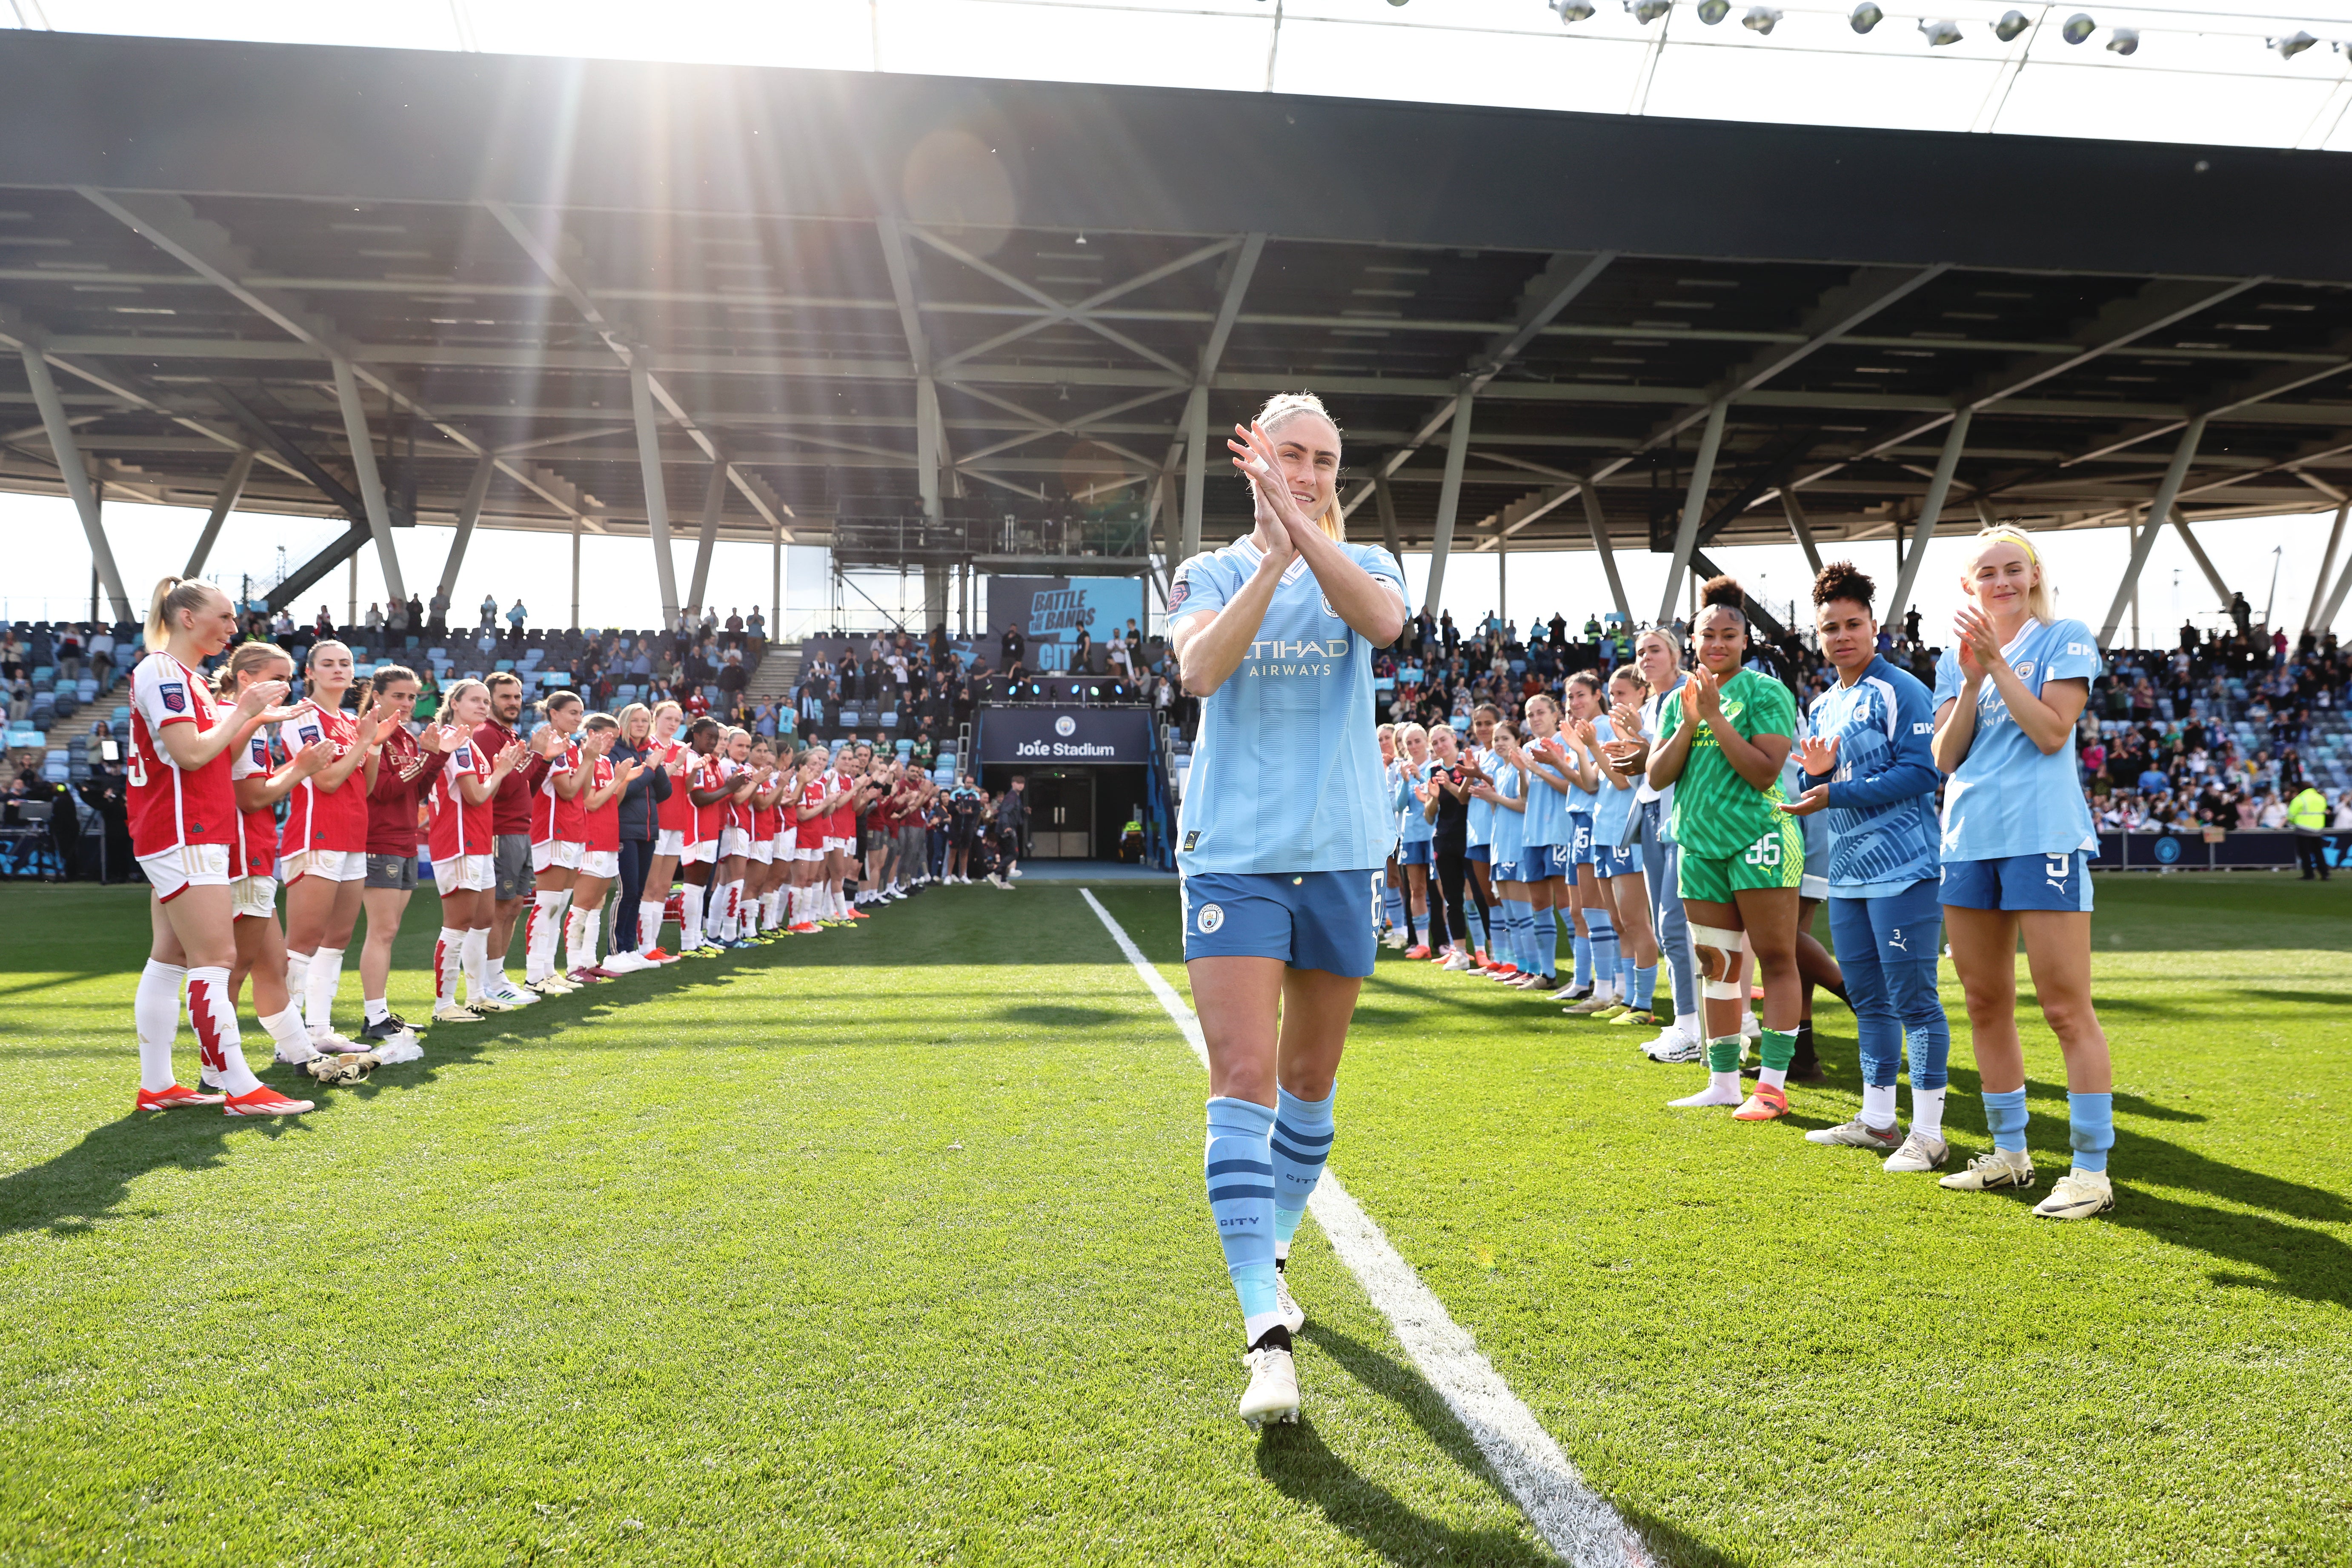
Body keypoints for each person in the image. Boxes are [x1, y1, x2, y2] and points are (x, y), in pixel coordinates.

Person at [1167, 392, 1406, 1427]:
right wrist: (1269, 555)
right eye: (1289, 454)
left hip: (1341, 851)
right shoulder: (1209, 571)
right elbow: (1200, 668)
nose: (1305, 469)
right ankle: (1264, 1332)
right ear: (1255, 455)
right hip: (1235, 857)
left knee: (1310, 1081)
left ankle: (1270, 1251)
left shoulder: (1370, 566)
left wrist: (1303, 535)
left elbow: (1384, 624)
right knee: (1245, 1076)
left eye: (1322, 459)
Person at [1931, 528, 2119, 1220]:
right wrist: (1973, 673)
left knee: (2066, 1007)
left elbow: (2050, 731)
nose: (2002, 580)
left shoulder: (2063, 634)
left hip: (2042, 837)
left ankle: (2091, 1170)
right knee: (1985, 1003)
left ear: (2033, 573)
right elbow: (1947, 757)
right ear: (1968, 585)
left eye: (2014, 568)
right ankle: (2009, 1154)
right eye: (1989, 571)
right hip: (1967, 841)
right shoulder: (1953, 663)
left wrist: (1998, 668)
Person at [1781, 563, 1950, 1170]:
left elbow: (1921, 772)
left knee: (1914, 999)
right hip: (1848, 875)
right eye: (1830, 628)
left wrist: (1834, 792)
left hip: (1904, 872)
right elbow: (1819, 778)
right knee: (1870, 1000)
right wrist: (1817, 780)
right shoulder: (1824, 704)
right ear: (1817, 636)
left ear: (1874, 627)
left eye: (1853, 624)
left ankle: (1929, 1133)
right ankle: (1878, 1120)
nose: (1841, 636)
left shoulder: (1902, 690)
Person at [124, 577, 315, 1117]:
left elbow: (208, 751)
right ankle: (238, 1087)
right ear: (187, 617)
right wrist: (244, 709)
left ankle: (159, 1083)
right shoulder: (162, 670)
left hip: (190, 828)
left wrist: (253, 715)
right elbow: (189, 754)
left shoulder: (185, 677)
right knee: (217, 958)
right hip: (184, 829)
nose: (234, 629)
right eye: (226, 617)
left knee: (171, 959)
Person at [1644, 575, 1806, 1122]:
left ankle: (1773, 1087)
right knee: (1716, 965)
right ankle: (1723, 1081)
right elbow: (1659, 775)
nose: (1717, 643)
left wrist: (1715, 716)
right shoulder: (1678, 700)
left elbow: (1765, 775)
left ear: (1745, 641)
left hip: (1758, 839)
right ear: (1692, 640)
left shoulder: (1767, 693)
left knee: (1777, 960)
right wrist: (1690, 722)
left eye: (1729, 634)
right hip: (1700, 846)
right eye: (1707, 634)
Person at [217, 642, 336, 1069]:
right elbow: (250, 799)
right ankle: (219, 1069)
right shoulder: (241, 724)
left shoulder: (243, 722)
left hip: (253, 852)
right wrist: (301, 769)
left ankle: (301, 1053)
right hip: (244, 852)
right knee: (234, 968)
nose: (286, 686)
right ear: (246, 678)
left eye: (288, 678)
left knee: (269, 965)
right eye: (277, 677)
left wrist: (298, 765)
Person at [279, 639, 394, 1051]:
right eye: (327, 664)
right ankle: (286, 1038)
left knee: (338, 938)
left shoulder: (349, 720)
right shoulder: (302, 716)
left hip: (350, 837)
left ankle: (318, 1030)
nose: (338, 670)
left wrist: (375, 743)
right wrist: (364, 743)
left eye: (345, 663)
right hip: (316, 836)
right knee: (304, 941)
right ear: (309, 672)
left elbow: (365, 787)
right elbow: (325, 781)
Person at [357, 663, 451, 1057]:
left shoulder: (407, 738)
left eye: (412, 696)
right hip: (379, 839)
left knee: (389, 930)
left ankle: (379, 1013)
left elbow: (419, 790)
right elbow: (382, 790)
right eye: (399, 695)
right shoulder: (370, 733)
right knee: (381, 931)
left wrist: (437, 758)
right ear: (377, 695)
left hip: (404, 839)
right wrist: (425, 757)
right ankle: (374, 1015)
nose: (409, 702)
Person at [426, 680, 530, 1022]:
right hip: (459, 842)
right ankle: (444, 1005)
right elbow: (476, 796)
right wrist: (502, 770)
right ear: (454, 703)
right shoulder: (456, 742)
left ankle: (477, 995)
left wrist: (501, 769)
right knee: (458, 925)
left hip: (478, 841)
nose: (484, 706)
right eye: (475, 700)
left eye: (486, 701)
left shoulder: (471, 744)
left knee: (483, 921)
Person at [1583, 665, 1662, 1025]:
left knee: (1635, 921)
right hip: (1605, 832)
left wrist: (1592, 748)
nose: (1616, 700)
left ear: (1642, 693)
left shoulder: (1642, 730)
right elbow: (1596, 783)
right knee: (1618, 921)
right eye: (1613, 694)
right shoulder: (1613, 729)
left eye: (1622, 693)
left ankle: (1644, 1004)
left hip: (1627, 832)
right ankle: (1629, 996)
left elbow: (1620, 781)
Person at [476, 673, 549, 1007]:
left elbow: (526, 788)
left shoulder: (508, 734)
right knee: (499, 908)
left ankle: (499, 974)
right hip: (500, 830)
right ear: (490, 700)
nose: (513, 703)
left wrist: (542, 759)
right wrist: (534, 755)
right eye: (506, 697)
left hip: (521, 828)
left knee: (515, 905)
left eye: (517, 697)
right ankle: (491, 981)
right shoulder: (487, 735)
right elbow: (502, 789)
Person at [561, 712, 643, 979]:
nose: (613, 743)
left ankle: (589, 960)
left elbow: (613, 802)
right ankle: (574, 966)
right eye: (609, 737)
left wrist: (624, 779)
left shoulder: (607, 762)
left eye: (616, 738)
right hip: (591, 838)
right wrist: (620, 780)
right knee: (583, 904)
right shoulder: (585, 759)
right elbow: (591, 803)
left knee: (597, 902)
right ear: (593, 733)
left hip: (608, 838)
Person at [521, 692, 592, 993]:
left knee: (559, 904)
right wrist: (590, 759)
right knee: (547, 903)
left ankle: (548, 971)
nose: (578, 718)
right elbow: (566, 790)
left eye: (580, 713)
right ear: (553, 713)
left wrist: (589, 758)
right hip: (553, 829)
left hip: (573, 829)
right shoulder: (550, 742)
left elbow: (584, 791)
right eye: (572, 713)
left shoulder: (573, 746)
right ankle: (535, 973)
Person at [607, 703, 674, 966]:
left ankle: (630, 948)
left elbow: (665, 793)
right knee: (628, 890)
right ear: (624, 723)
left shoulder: (648, 751)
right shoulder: (616, 751)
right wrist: (649, 768)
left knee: (638, 892)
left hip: (648, 830)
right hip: (625, 829)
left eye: (645, 721)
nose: (641, 725)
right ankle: (616, 951)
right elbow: (626, 792)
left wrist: (654, 766)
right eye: (635, 720)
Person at [2288, 780, 2330, 880]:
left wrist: (2294, 822)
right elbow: (2324, 810)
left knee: (2305, 853)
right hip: (2318, 828)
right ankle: (2325, 873)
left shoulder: (2300, 799)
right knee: (2319, 852)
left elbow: (2291, 815)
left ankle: (2309, 874)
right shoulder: (2321, 798)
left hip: (2303, 828)